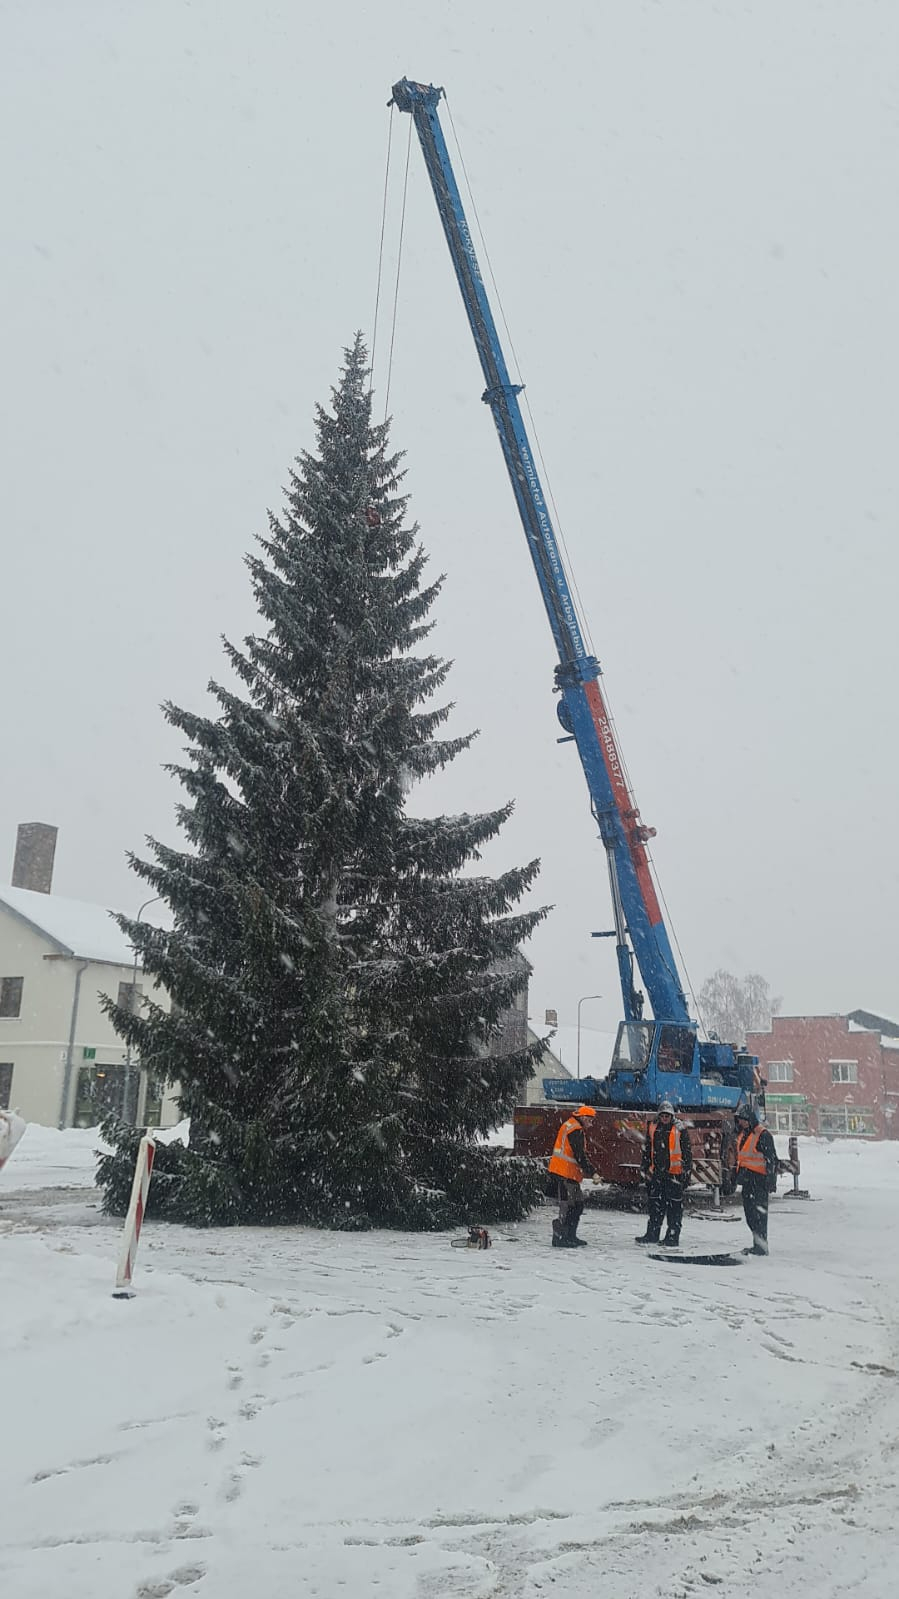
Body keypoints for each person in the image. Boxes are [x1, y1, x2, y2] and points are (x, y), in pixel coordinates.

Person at [635, 1100, 693, 1248]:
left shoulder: (680, 1129)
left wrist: (686, 1172)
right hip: (657, 1174)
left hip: (674, 1174)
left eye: (668, 1115)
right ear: (659, 1115)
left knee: (674, 1208)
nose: (665, 1118)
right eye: (663, 1115)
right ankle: (652, 1234)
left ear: (672, 1116)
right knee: (655, 1206)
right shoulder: (653, 1127)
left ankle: (672, 1237)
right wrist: (645, 1167)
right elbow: (648, 1149)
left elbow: (687, 1153)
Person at [548, 1105, 597, 1248]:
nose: (591, 1123)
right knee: (569, 1206)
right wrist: (593, 1172)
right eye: (590, 1120)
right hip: (564, 1173)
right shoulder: (575, 1129)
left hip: (567, 1173)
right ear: (583, 1117)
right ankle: (561, 1238)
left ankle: (570, 1236)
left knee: (576, 1205)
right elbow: (580, 1155)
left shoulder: (571, 1125)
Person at [735, 1106, 778, 1255]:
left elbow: (771, 1158)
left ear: (750, 1119)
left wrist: (771, 1180)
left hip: (759, 1180)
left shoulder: (763, 1135)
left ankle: (761, 1246)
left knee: (759, 1215)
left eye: (743, 1120)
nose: (740, 1123)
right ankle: (757, 1243)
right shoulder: (744, 1133)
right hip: (747, 1180)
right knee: (750, 1214)